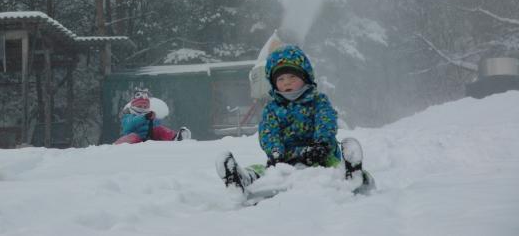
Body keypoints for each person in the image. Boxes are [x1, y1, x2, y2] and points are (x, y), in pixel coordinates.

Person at [216, 44, 373, 193]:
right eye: (281, 79)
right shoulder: (272, 108)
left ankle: (355, 174)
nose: (287, 82)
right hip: (286, 159)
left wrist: (321, 144)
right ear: (274, 83)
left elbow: (326, 121)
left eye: (292, 76)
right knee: (265, 172)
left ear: (305, 77)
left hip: (319, 155)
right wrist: (275, 152)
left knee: (334, 168)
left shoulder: (318, 101)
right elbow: (268, 131)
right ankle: (243, 179)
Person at [114, 89, 191, 144]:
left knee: (159, 129)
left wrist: (153, 118)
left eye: (145, 106)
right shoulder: (128, 116)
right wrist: (145, 117)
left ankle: (176, 138)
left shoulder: (148, 115)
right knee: (134, 136)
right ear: (133, 106)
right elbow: (131, 124)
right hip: (134, 141)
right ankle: (119, 145)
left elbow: (156, 126)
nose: (142, 108)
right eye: (140, 106)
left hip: (149, 138)